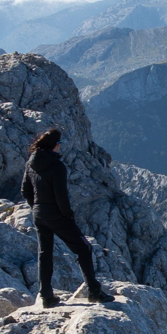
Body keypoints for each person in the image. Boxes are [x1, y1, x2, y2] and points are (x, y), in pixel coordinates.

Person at [22, 128, 114, 307]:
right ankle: (94, 291)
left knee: (44, 253)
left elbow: (25, 191)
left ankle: (46, 297)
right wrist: (68, 216)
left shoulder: (31, 163)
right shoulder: (57, 166)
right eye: (60, 144)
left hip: (39, 215)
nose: (60, 147)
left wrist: (37, 208)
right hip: (57, 215)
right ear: (56, 145)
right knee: (83, 248)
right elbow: (61, 197)